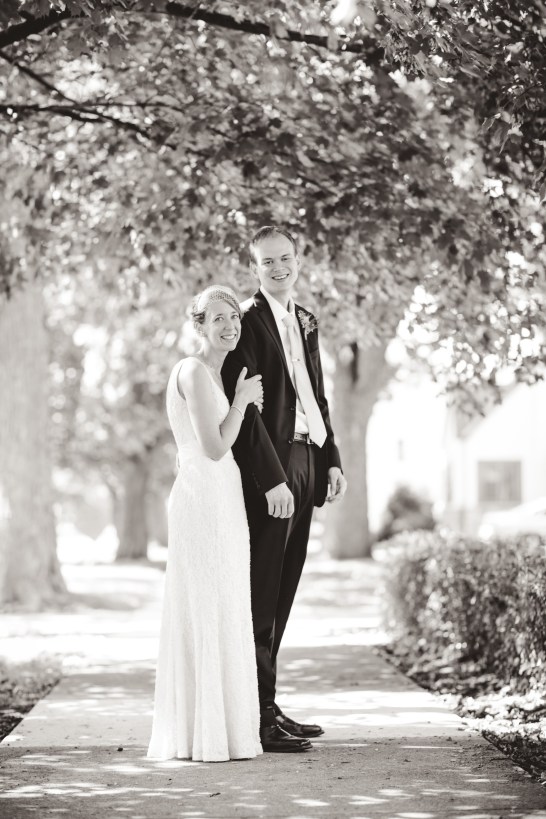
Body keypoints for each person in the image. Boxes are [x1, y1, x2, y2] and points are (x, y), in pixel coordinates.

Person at [222, 226, 347, 754]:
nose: (279, 268)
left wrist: (331, 458)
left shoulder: (306, 319)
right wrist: (271, 477)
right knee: (262, 593)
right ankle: (258, 717)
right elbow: (245, 408)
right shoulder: (244, 322)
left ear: (298, 261)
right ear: (254, 268)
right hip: (271, 470)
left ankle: (267, 706)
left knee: (285, 591)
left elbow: (317, 393)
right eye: (268, 261)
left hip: (307, 460)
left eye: (286, 258)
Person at [147, 285, 264, 762]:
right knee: (204, 605)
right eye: (217, 318)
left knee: (226, 604)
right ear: (199, 325)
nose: (229, 326)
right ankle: (204, 734)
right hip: (203, 499)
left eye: (234, 317)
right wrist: (241, 401)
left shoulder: (214, 374)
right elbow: (214, 447)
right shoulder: (194, 371)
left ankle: (225, 730)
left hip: (223, 498)